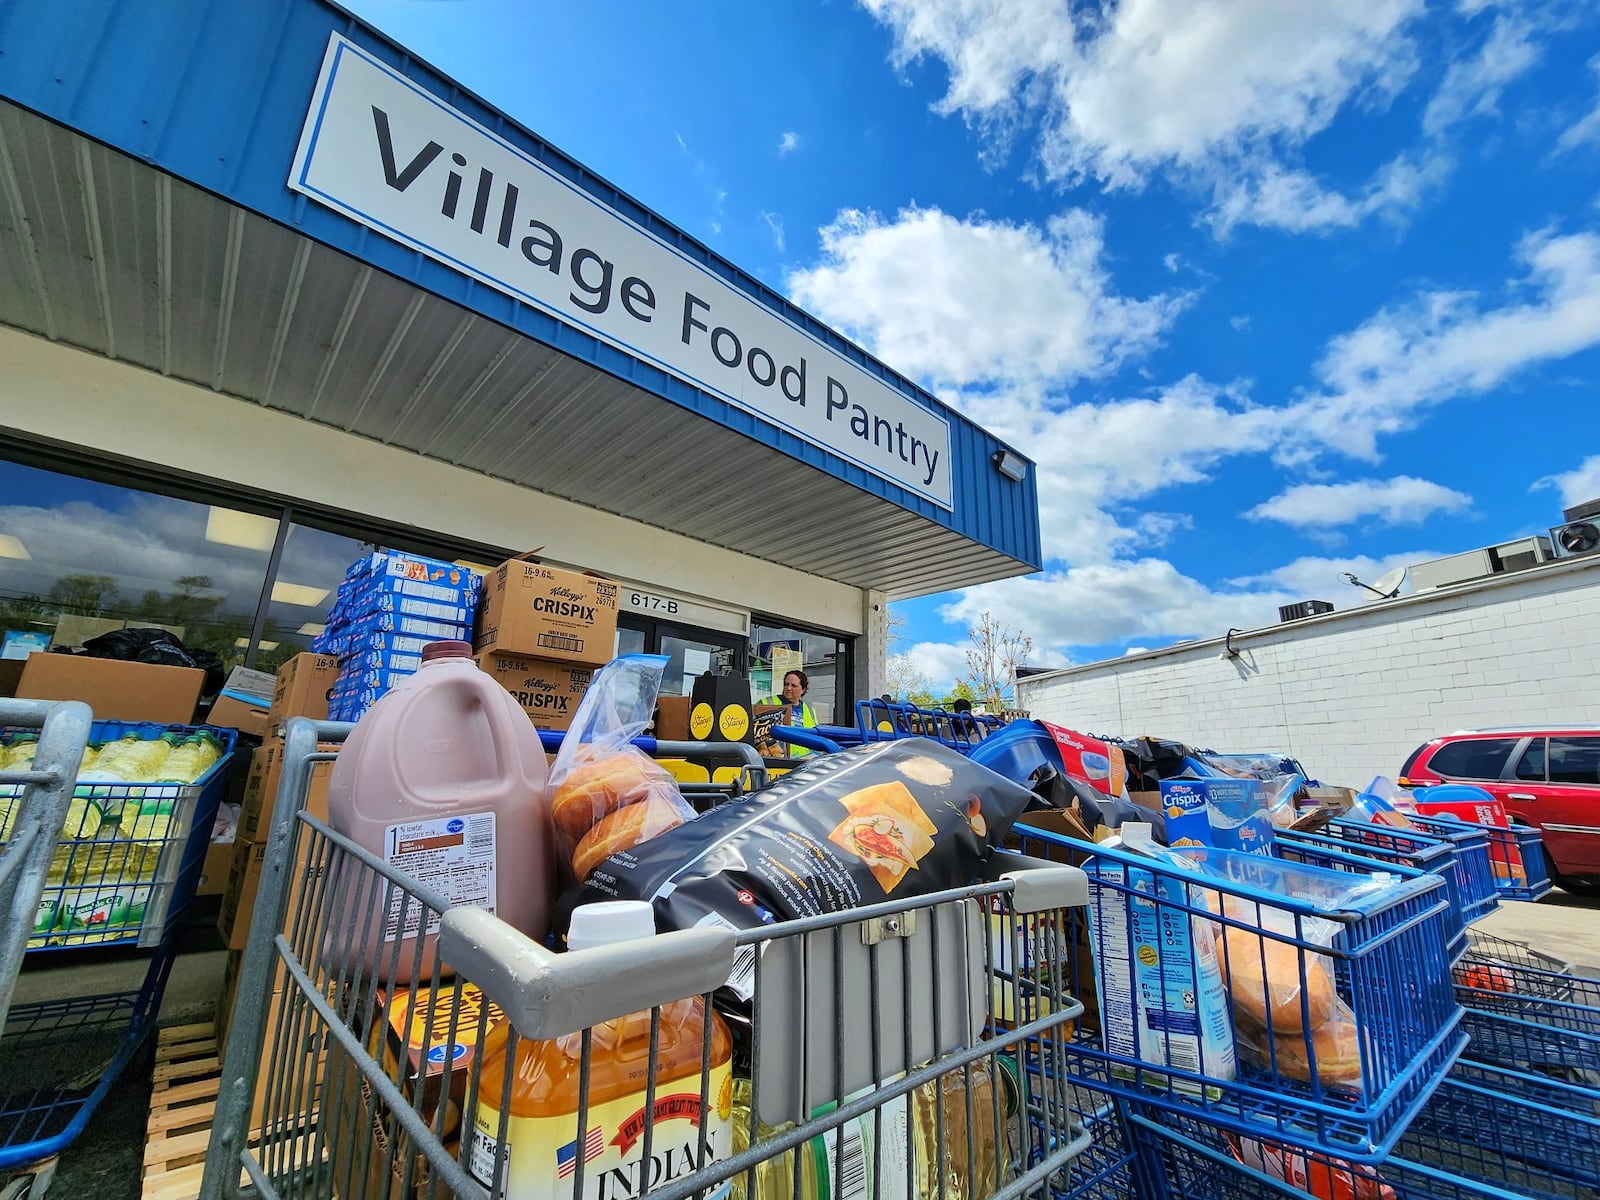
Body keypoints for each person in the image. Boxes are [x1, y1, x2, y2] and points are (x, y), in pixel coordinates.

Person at [768, 669, 819, 757]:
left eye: (793, 686)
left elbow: (817, 736)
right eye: (786, 684)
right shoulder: (768, 703)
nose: (788, 688)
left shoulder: (810, 711)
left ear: (803, 690)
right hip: (776, 759)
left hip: (803, 760)